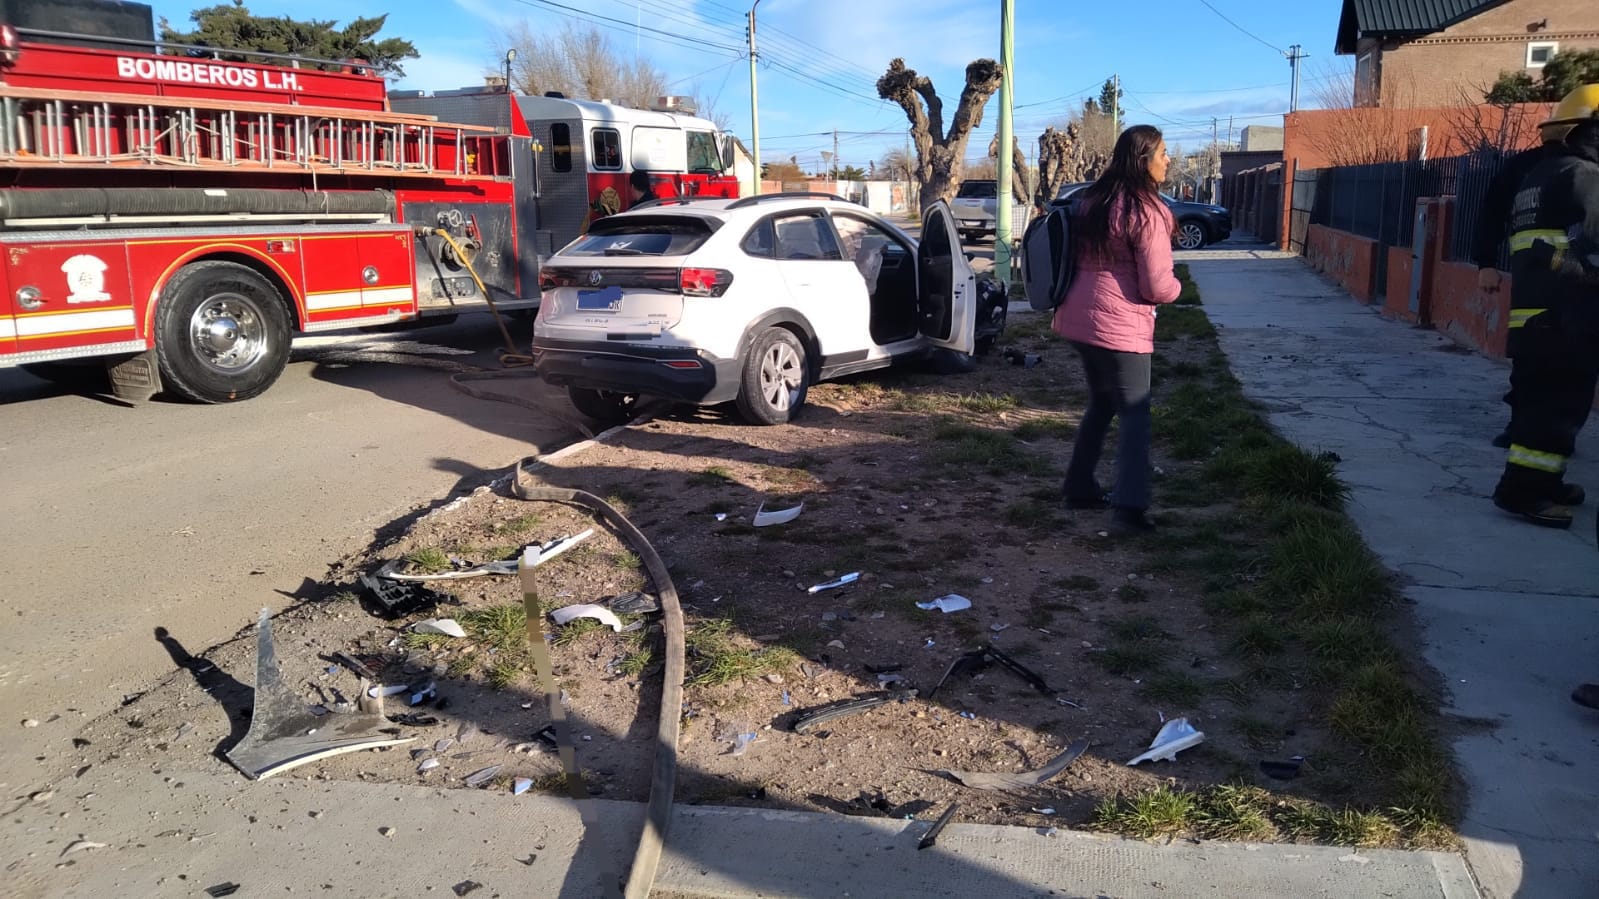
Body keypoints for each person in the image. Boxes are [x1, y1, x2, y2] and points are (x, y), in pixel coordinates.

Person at [1052, 125, 1183, 534]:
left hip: (1077, 319)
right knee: (1135, 413)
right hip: (1120, 326)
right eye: (1163, 153)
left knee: (1102, 403)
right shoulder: (1148, 210)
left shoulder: (1094, 200)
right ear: (1143, 160)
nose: (1168, 160)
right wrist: (1178, 289)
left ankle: (1079, 486)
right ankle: (1129, 509)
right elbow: (1158, 286)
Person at [1490, 83, 1599, 529]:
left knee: (1540, 405)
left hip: (1536, 314)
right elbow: (1592, 250)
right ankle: (1523, 493)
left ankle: (1544, 483)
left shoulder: (1538, 177)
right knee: (1557, 411)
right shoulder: (1585, 177)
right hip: (1567, 316)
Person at [1473, 103, 1580, 449]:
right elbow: (1492, 208)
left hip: (1567, 285)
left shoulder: (1575, 170)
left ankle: (1547, 438)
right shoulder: (1531, 167)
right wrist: (1486, 262)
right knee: (1536, 361)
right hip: (1548, 284)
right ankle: (1529, 433)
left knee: (1560, 366)